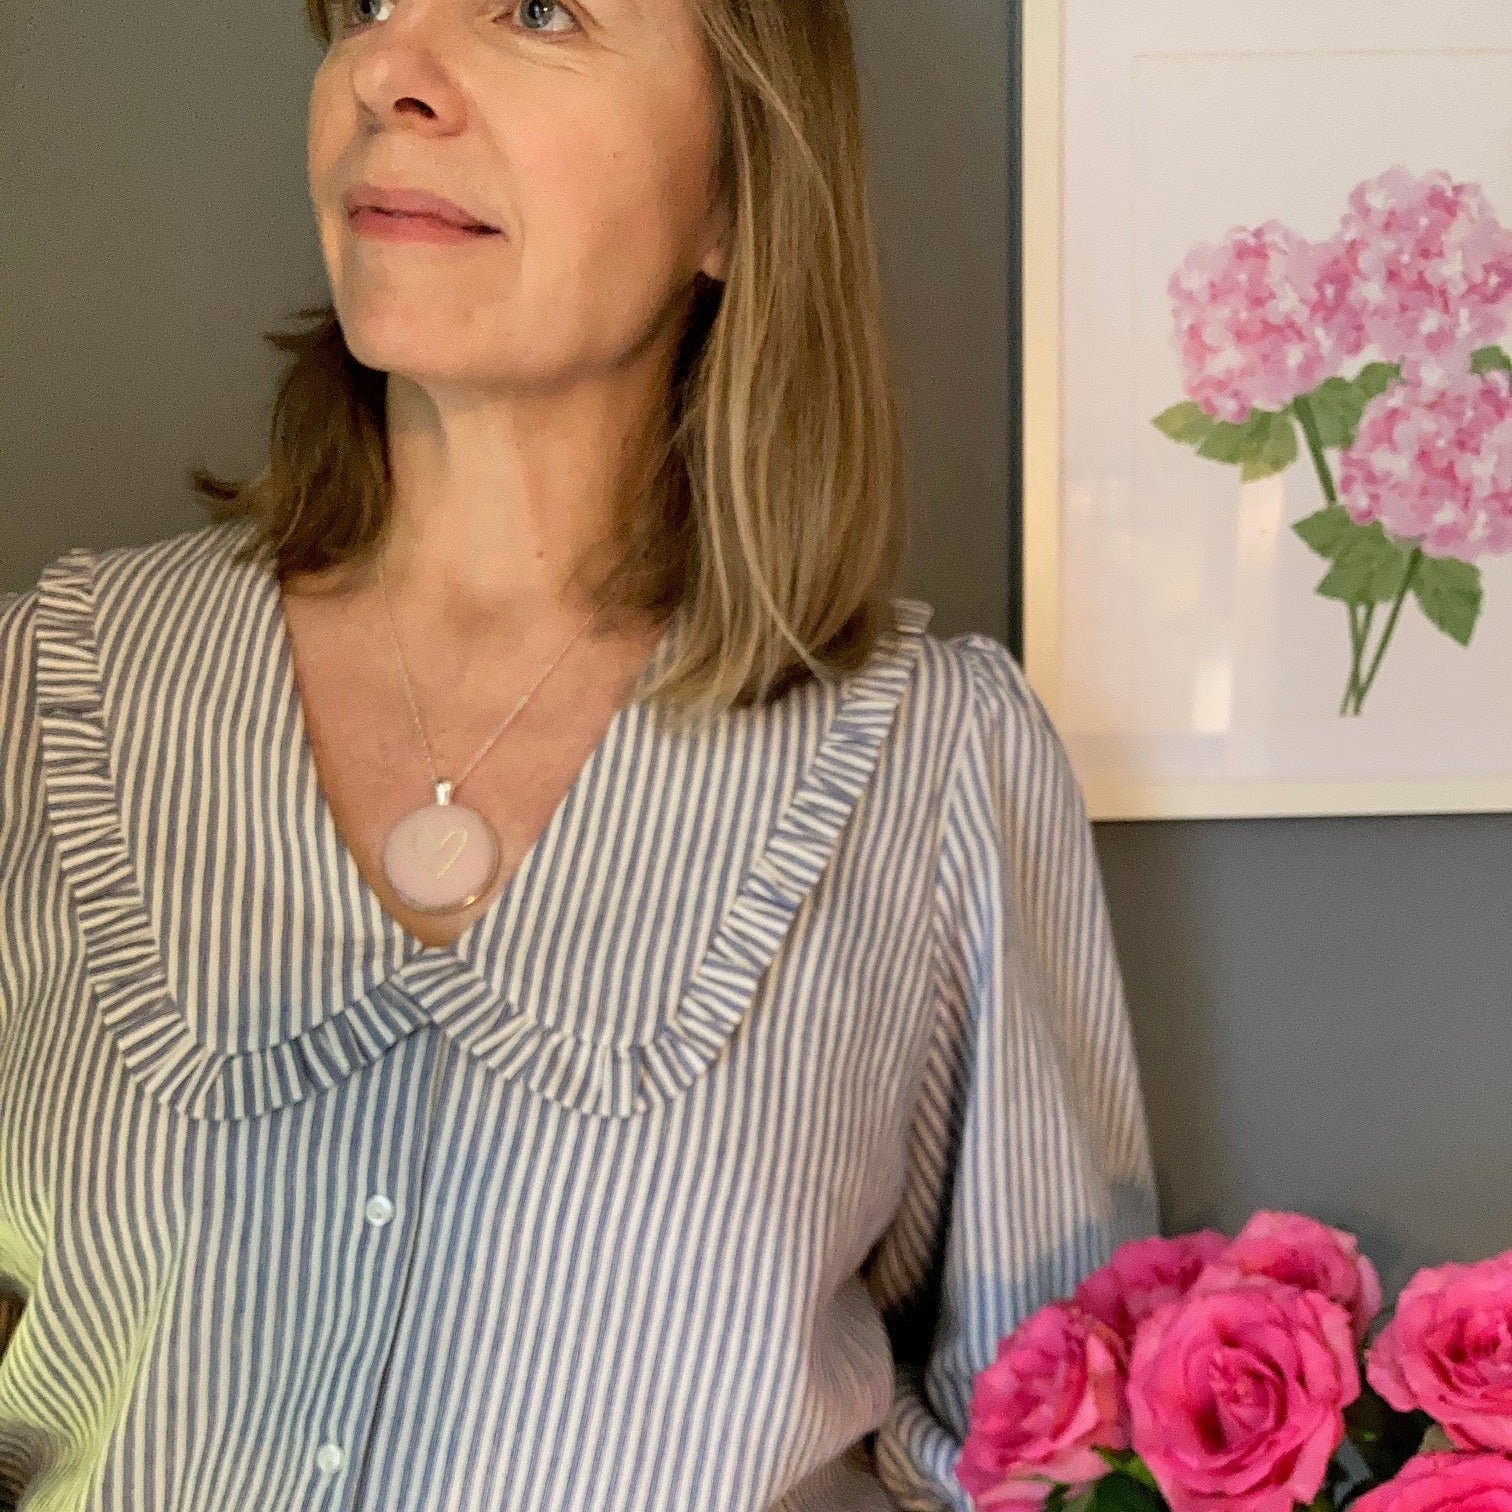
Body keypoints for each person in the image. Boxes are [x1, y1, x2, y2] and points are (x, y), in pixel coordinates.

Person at [0, 0, 1160, 1506]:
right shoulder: (52, 687)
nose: (386, 70)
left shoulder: (934, 764)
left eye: (538, 6)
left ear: (738, 191)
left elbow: (1048, 1458)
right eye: (366, 5)